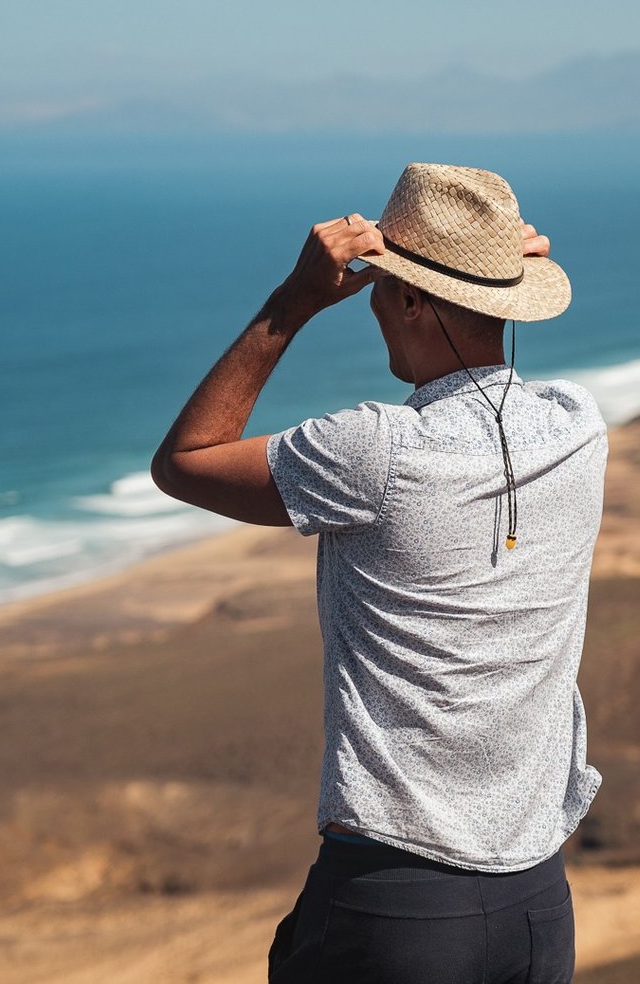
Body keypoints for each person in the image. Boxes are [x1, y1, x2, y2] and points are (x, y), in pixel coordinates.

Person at [151, 162, 607, 984]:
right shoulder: (578, 427)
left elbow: (186, 461)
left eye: (383, 288)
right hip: (538, 906)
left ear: (405, 302)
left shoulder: (376, 453)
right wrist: (502, 267)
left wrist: (290, 305)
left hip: (399, 906)